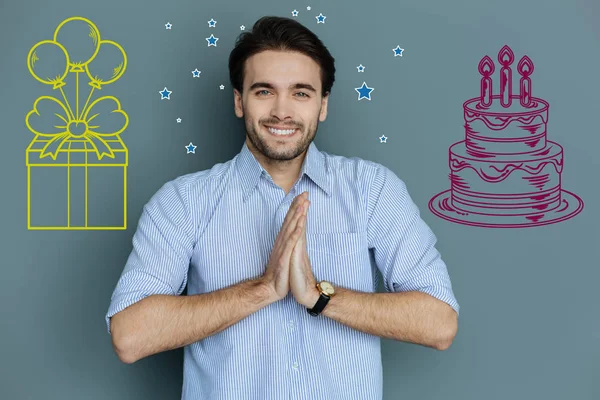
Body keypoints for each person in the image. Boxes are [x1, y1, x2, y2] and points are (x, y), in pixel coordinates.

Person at [105, 15, 459, 400]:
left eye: (301, 93)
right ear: (239, 100)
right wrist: (262, 289)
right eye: (264, 91)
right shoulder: (182, 202)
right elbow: (129, 336)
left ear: (323, 104)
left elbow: (439, 323)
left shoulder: (372, 190)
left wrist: (320, 297)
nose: (282, 111)